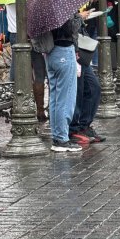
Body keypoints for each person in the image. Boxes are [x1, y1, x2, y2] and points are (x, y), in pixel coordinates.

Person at [47, 10, 90, 152]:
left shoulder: (47, 5)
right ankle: (61, 139)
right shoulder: (62, 5)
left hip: (51, 53)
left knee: (55, 97)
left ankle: (57, 136)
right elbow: (69, 28)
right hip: (63, 50)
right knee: (65, 98)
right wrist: (80, 17)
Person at [69, 24, 105, 145]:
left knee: (93, 87)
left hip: (80, 51)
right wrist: (80, 18)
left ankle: (84, 125)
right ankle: (73, 129)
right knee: (78, 91)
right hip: (72, 50)